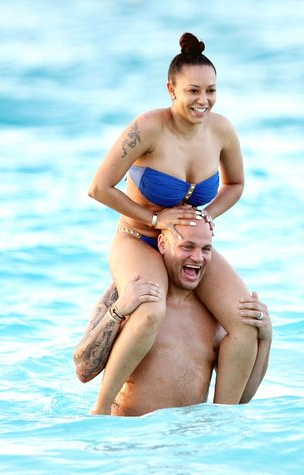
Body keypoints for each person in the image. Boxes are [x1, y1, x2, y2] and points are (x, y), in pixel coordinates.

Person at [87, 32, 259, 414]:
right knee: (150, 311)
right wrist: (154, 217)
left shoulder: (222, 130)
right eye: (193, 91)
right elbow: (99, 187)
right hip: (138, 238)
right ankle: (100, 409)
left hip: (186, 247)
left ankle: (220, 418)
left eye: (211, 91)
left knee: (245, 322)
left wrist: (207, 216)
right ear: (171, 89)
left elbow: (235, 184)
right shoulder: (148, 127)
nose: (203, 100)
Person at [74, 220, 272, 416]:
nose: (197, 258)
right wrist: (117, 311)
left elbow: (241, 399)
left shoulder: (218, 315)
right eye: (187, 247)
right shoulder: (133, 294)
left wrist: (265, 340)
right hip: (131, 430)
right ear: (163, 244)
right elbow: (83, 371)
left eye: (206, 249)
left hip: (190, 433)